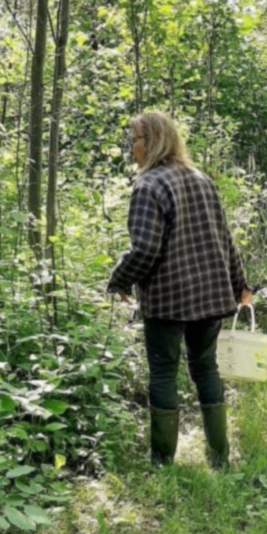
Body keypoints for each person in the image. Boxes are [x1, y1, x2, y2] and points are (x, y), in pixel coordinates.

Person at [106, 111, 252, 468]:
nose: (131, 149)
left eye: (135, 140)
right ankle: (219, 458)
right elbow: (225, 239)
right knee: (206, 369)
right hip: (210, 295)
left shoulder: (149, 186)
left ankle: (161, 462)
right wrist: (240, 283)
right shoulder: (201, 178)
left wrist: (119, 279)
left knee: (163, 372)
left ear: (153, 141)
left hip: (168, 299)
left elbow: (144, 248)